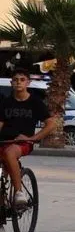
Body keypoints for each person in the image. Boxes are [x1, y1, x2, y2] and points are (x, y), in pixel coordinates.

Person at [0, 68, 55, 204]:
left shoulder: (35, 102)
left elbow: (51, 124)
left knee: (10, 153)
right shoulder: (5, 102)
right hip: (4, 141)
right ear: (11, 83)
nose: (18, 82)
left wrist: (33, 138)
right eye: (15, 80)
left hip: (23, 143)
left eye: (22, 80)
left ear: (28, 83)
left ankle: (19, 192)